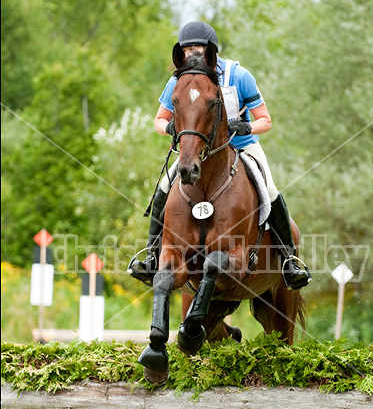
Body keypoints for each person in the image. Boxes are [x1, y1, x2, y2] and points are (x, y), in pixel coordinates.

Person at [130, 21, 311, 291]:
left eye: (198, 48)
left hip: (242, 145)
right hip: (199, 150)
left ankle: (289, 259)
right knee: (165, 186)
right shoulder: (179, 80)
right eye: (187, 48)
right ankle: (151, 254)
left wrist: (246, 126)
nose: (192, 53)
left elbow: (266, 120)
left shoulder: (239, 75)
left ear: (211, 51)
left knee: (269, 188)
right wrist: (170, 128)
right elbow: (159, 119)